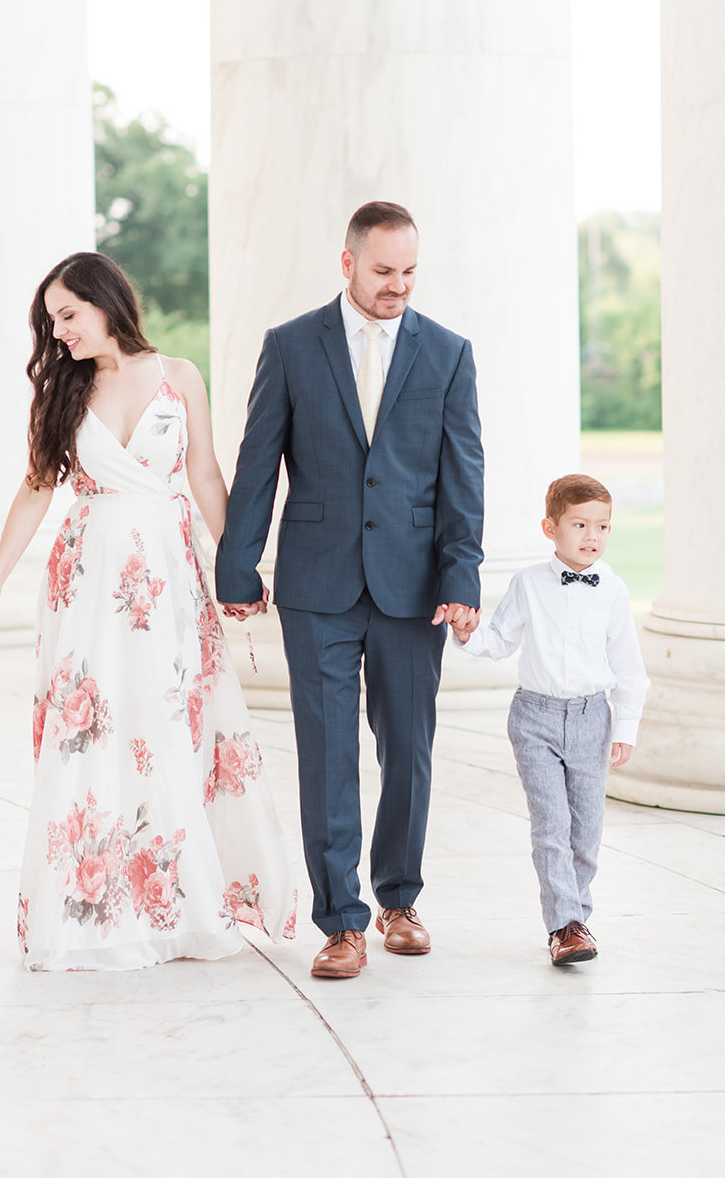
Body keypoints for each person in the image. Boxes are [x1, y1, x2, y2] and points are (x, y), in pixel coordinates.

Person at [0, 252, 294, 971]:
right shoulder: (63, 388)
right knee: (94, 729)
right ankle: (91, 914)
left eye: (68, 315)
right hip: (89, 581)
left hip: (168, 573)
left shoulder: (179, 376)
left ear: (105, 301)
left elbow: (204, 471)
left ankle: (179, 905)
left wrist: (238, 566)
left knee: (169, 721)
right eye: (52, 322)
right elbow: (35, 488)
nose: (60, 332)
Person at [215, 201, 483, 978]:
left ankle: (400, 900)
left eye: (408, 272)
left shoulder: (450, 354)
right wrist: (239, 567)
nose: (397, 286)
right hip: (317, 583)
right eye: (382, 271)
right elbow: (258, 460)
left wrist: (461, 577)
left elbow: (464, 478)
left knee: (409, 749)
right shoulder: (292, 346)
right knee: (326, 753)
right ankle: (342, 922)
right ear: (348, 263)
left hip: (415, 586)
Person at [451, 473, 646, 964]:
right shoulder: (528, 583)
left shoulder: (614, 591)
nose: (591, 538)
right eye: (579, 525)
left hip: (590, 719)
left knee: (586, 832)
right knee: (551, 824)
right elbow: (498, 640)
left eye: (602, 527)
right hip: (534, 717)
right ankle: (564, 925)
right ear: (549, 527)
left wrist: (625, 728)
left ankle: (575, 918)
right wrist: (467, 632)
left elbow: (629, 669)